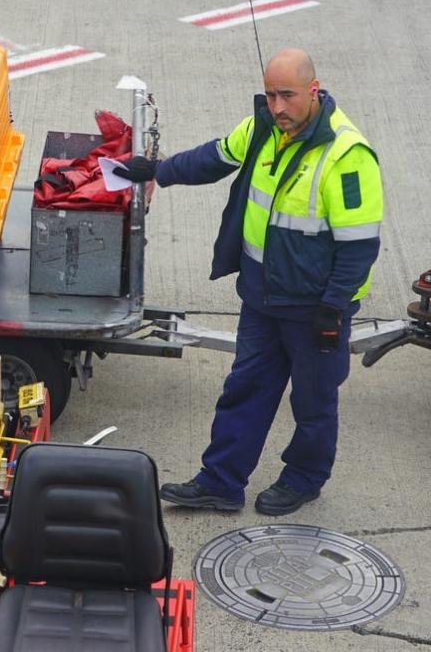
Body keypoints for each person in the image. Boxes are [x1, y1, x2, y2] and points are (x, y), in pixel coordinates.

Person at [116, 49, 383, 515]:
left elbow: (360, 245)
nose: (277, 106)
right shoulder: (263, 127)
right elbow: (213, 159)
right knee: (245, 389)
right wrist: (158, 170)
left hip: (315, 308)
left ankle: (303, 479)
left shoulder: (346, 155)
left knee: (313, 403)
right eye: (271, 94)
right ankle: (220, 482)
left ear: (313, 91)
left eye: (288, 96)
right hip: (262, 299)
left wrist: (334, 305)